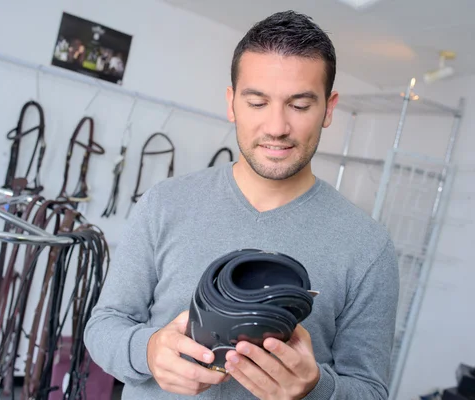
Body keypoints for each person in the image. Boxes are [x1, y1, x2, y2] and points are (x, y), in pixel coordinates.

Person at [84, 10, 399, 400]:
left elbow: (370, 391)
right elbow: (104, 326)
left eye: (300, 105)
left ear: (329, 109)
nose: (277, 126)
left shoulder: (369, 246)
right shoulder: (164, 203)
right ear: (232, 103)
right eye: (257, 102)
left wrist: (316, 388)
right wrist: (147, 351)